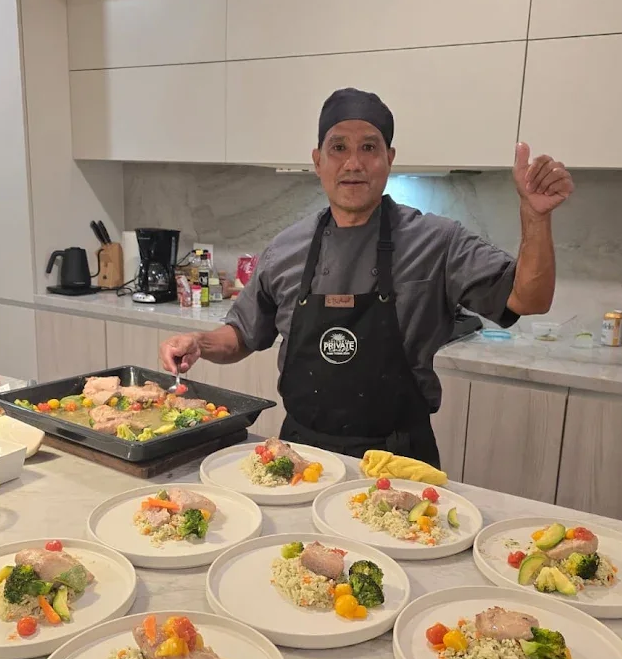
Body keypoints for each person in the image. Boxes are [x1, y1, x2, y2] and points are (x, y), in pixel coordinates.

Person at [160, 87, 574, 461]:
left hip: (400, 458)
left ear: (389, 159)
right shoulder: (285, 249)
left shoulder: (437, 242)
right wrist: (199, 342)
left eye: (369, 147)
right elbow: (242, 335)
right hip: (301, 456)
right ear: (318, 161)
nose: (353, 163)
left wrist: (535, 217)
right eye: (338, 147)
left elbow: (529, 299)